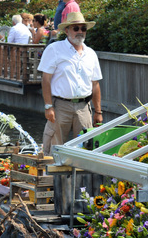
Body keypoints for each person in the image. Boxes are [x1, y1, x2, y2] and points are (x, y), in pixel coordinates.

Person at [37, 12, 103, 155]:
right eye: (76, 28)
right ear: (67, 30)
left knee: (85, 151)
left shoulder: (91, 54)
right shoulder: (54, 49)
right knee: (54, 150)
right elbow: (46, 79)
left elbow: (95, 84)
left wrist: (98, 111)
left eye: (83, 28)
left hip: (84, 107)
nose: (80, 32)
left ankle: (78, 171)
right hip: (60, 106)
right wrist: (48, 106)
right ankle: (52, 171)